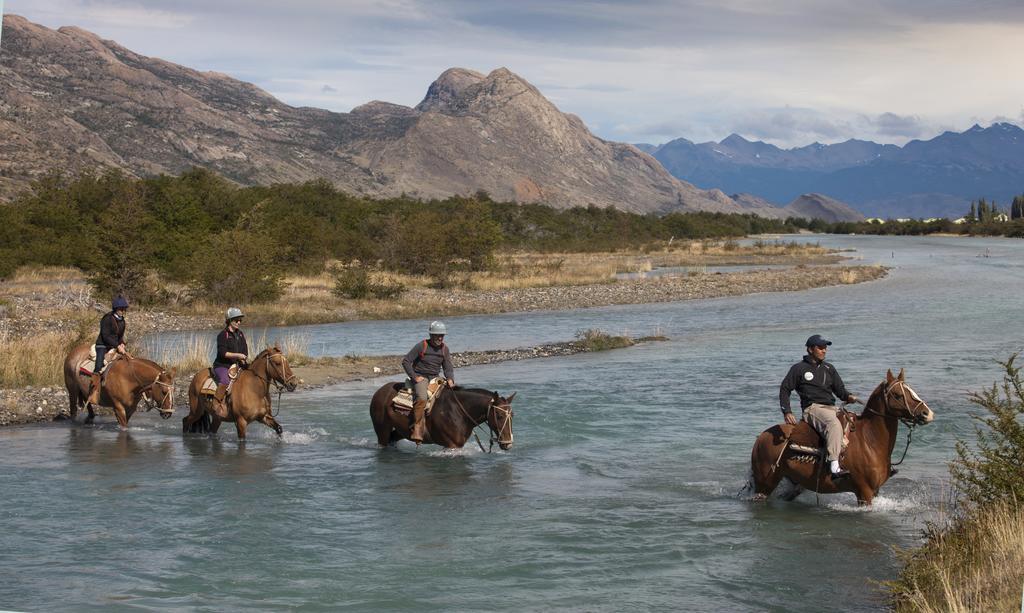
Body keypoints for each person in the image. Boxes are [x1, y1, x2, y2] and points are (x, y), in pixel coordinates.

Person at [779, 334, 859, 478]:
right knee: (834, 424)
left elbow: (840, 391)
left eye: (825, 348)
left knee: (855, 420)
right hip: (813, 408)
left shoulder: (829, 368)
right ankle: (834, 465)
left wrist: (849, 396)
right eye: (820, 347)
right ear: (810, 349)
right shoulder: (799, 368)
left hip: (832, 408)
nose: (824, 350)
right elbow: (785, 389)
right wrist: (787, 411)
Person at [401, 321, 455, 444]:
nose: (440, 338)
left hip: (435, 378)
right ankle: (417, 428)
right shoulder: (422, 346)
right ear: (431, 335)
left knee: (449, 396)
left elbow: (448, 367)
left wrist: (450, 379)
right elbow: (406, 361)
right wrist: (415, 377)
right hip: (422, 377)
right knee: (422, 398)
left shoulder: (445, 349)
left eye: (442, 335)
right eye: (437, 335)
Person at [87, 296, 130, 408]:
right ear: (115, 309)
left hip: (115, 346)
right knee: (99, 365)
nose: (122, 311)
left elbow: (119, 337)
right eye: (120, 309)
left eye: (124, 309)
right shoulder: (106, 319)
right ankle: (93, 393)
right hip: (102, 345)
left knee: (128, 360)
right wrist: (117, 345)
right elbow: (105, 336)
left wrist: (122, 344)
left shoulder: (122, 321)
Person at [211, 307, 248, 419]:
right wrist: (238, 355)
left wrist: (243, 358)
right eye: (236, 320)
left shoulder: (240, 334)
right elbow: (223, 353)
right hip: (222, 365)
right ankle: (216, 404)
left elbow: (245, 350)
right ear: (229, 321)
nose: (239, 322)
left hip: (237, 365)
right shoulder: (223, 335)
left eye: (240, 320)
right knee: (225, 380)